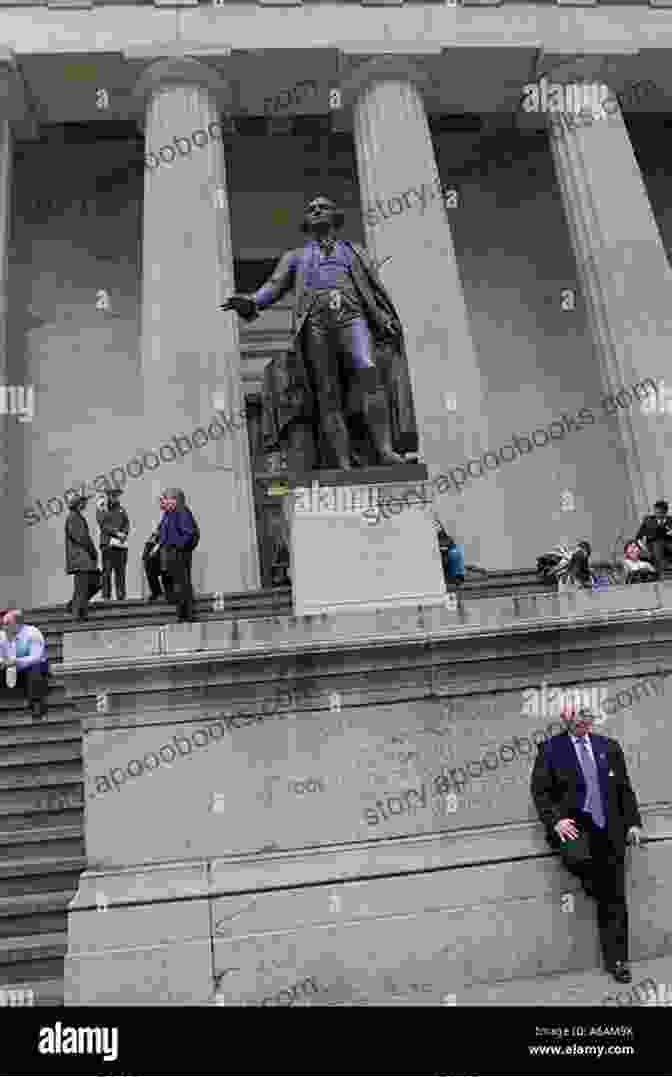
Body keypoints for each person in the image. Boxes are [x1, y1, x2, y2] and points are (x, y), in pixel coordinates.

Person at [222, 195, 417, 471]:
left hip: (353, 318)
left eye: (322, 207)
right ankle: (343, 462)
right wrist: (252, 301)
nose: (315, 211)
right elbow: (274, 285)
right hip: (315, 323)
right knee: (328, 392)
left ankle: (385, 450)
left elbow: (372, 289)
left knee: (369, 371)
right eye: (311, 209)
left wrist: (382, 316)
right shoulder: (296, 257)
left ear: (335, 216)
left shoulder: (354, 251)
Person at [530, 704, 644, 984]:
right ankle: (595, 885)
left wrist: (633, 823)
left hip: (611, 830)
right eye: (578, 717)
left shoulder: (609, 747)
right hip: (577, 830)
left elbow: (624, 788)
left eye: (588, 717)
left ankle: (618, 961)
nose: (584, 722)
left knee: (615, 897)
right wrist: (555, 821)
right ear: (565, 719)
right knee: (584, 865)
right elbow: (540, 791)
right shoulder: (551, 749)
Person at [157, 489, 199, 622]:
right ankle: (181, 612)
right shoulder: (168, 514)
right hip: (170, 553)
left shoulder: (182, 511)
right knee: (176, 584)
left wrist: (177, 547)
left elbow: (190, 533)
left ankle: (187, 615)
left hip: (178, 553)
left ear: (174, 500)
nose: (161, 502)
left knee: (182, 584)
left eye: (164, 499)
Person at [0, 609, 49, 719]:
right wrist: (3, 662)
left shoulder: (33, 632)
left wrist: (17, 661)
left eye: (7, 624)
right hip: (11, 669)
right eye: (3, 624)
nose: (4, 627)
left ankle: (36, 704)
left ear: (18, 624)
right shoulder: (2, 635)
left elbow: (36, 657)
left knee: (35, 668)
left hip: (33, 667)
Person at [65, 493, 101, 621]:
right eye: (83, 501)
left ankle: (75, 607)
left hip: (83, 560)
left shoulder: (76, 517)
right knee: (82, 588)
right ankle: (78, 614)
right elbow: (82, 538)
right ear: (78, 504)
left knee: (95, 583)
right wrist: (93, 551)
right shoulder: (74, 518)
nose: (85, 504)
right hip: (81, 560)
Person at [96, 486, 130, 602]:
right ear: (108, 496)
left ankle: (121, 595)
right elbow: (102, 524)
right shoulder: (102, 509)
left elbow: (126, 523)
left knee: (120, 571)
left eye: (116, 495)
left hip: (120, 545)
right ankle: (106, 596)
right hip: (107, 545)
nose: (115, 497)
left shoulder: (121, 509)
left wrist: (124, 533)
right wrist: (116, 533)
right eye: (112, 495)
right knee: (107, 571)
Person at [636, 500, 672, 578]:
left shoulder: (670, 521)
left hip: (668, 543)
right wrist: (643, 548)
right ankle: (662, 572)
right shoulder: (648, 521)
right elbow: (639, 537)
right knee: (658, 546)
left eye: (660, 512)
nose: (657, 513)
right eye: (656, 511)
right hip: (653, 544)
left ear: (665, 511)